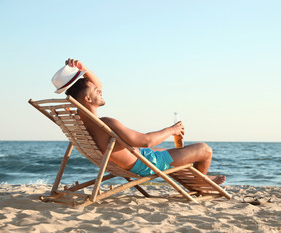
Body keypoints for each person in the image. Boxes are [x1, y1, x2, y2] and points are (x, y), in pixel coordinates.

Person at [55, 58, 225, 185]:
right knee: (204, 150)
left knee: (169, 151)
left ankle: (200, 176)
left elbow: (95, 86)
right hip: (145, 164)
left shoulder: (79, 119)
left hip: (138, 157)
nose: (100, 90)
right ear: (87, 98)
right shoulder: (106, 123)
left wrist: (83, 69)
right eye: (95, 91)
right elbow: (145, 141)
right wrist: (171, 130)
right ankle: (201, 184)